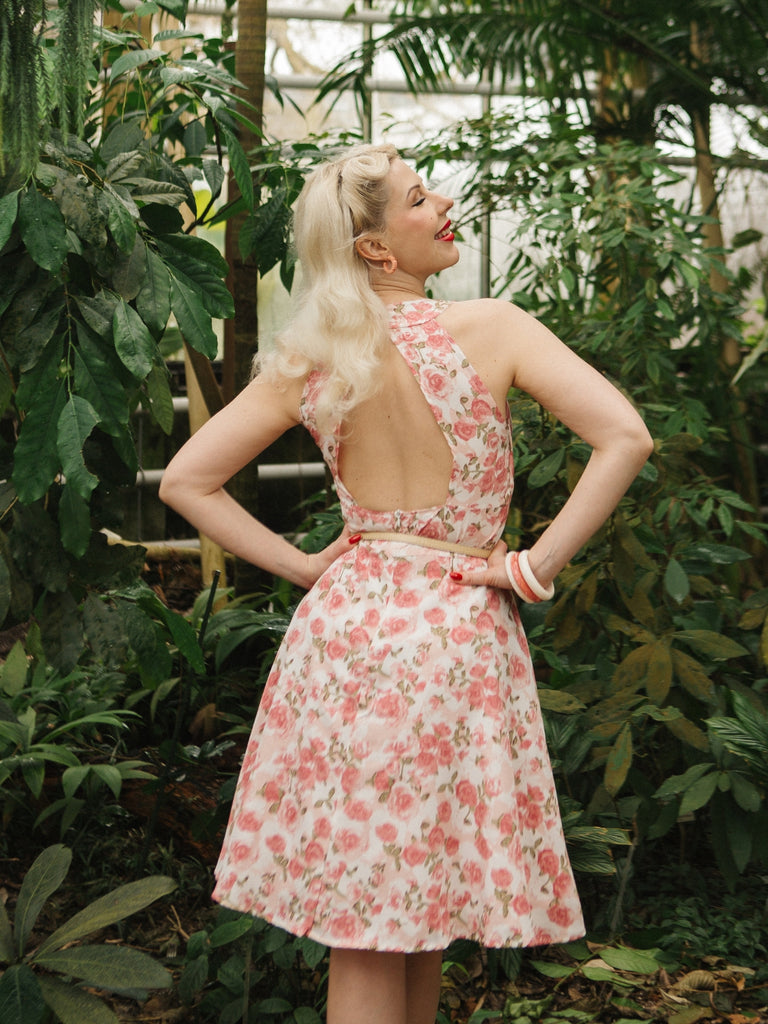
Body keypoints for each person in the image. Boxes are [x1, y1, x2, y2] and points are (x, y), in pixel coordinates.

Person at [159, 142, 653, 1024]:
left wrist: (308, 567)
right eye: (421, 199)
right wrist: (530, 568)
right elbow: (626, 437)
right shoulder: (494, 328)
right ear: (378, 249)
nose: (444, 205)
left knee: (387, 912)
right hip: (456, 633)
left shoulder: (312, 357)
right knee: (397, 915)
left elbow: (185, 481)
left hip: (346, 633)